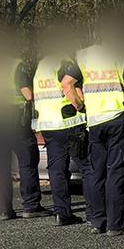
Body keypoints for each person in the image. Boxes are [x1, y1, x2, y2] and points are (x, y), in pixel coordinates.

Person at [74, 33, 124, 235]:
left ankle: (98, 221)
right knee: (116, 171)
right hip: (117, 119)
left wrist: (80, 106)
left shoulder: (83, 55)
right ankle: (116, 224)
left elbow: (67, 83)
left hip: (95, 121)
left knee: (96, 172)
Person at [32, 49, 86, 226]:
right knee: (88, 167)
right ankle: (98, 212)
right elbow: (67, 85)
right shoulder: (65, 61)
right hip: (69, 123)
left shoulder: (41, 66)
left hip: (48, 126)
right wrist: (80, 106)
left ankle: (61, 213)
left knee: (57, 171)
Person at [2, 55, 50, 220]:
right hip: (15, 122)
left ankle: (5, 210)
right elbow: (28, 94)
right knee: (27, 162)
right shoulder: (15, 65)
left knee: (0, 168)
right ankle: (31, 206)